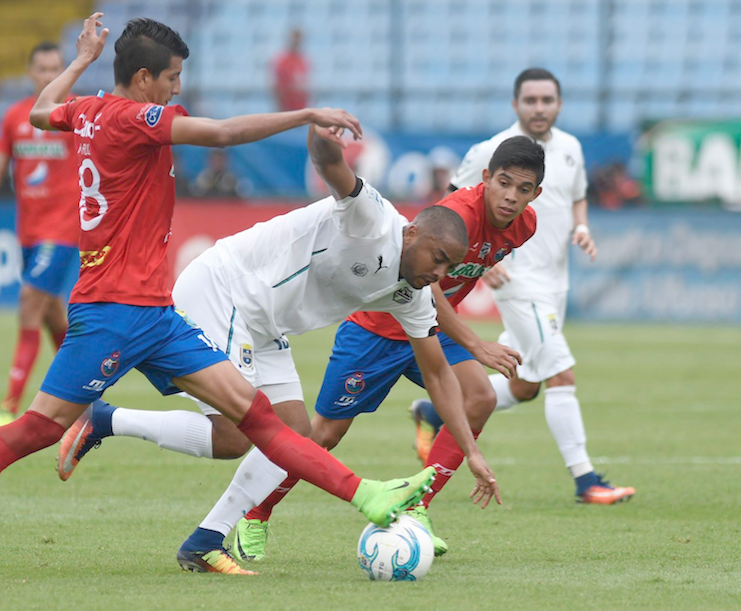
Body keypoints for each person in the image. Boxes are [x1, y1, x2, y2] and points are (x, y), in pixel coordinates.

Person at [0, 14, 441, 582]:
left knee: (258, 419)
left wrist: (81, 61)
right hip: (112, 312)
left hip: (157, 314)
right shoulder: (133, 118)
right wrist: (305, 114)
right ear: (144, 78)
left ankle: (366, 495)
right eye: (172, 78)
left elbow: (42, 111)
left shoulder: (87, 110)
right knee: (39, 428)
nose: (177, 89)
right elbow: (221, 134)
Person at [63, 136, 540, 568]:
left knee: (294, 436)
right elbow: (332, 166)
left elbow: (437, 374)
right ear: (411, 234)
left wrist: (472, 453)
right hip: (225, 290)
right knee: (235, 435)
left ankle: (205, 540)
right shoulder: (375, 219)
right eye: (438, 259)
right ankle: (105, 420)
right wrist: (318, 128)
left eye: (450, 267)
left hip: (266, 321)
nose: (440, 275)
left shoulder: (414, 294)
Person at [215, 135, 543, 563]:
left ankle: (416, 508)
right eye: (504, 183)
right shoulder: (458, 214)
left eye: (523, 189)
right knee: (323, 435)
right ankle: (257, 512)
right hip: (378, 327)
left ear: (536, 194)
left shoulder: (525, 226)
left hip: (430, 330)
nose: (511, 196)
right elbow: (426, 288)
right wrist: (475, 342)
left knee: (479, 396)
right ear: (486, 178)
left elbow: (447, 287)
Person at [414, 68, 635, 505]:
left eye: (546, 100)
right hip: (517, 281)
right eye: (530, 100)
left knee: (524, 383)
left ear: (559, 105)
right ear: (515, 104)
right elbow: (448, 209)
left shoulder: (570, 148)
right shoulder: (491, 150)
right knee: (560, 373)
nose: (539, 108)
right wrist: (478, 260)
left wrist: (582, 226)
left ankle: (435, 412)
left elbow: (577, 197)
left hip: (556, 281)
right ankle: (586, 480)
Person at [0, 41, 81, 431]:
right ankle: (86, 399)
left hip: (63, 231)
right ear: (30, 73)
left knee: (28, 302)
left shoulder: (77, 114)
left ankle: (9, 407)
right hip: (28, 233)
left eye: (56, 69)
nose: (49, 76)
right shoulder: (14, 117)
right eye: (43, 69)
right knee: (51, 314)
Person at [272, 28, 310, 111]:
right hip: (287, 109)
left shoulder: (303, 60)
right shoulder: (283, 61)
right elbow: (277, 88)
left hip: (301, 108)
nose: (297, 42)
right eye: (295, 39)